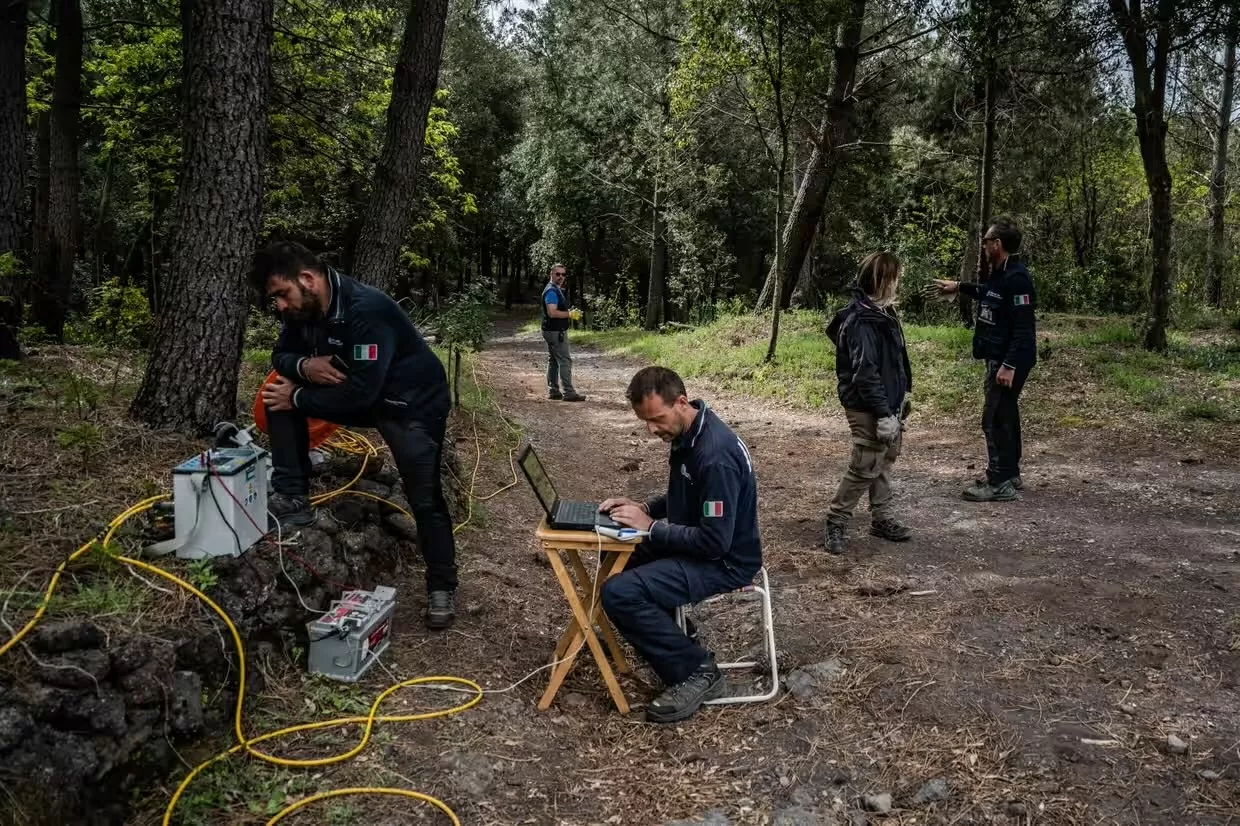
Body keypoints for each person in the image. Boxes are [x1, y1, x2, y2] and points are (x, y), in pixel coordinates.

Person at [250, 241, 458, 630]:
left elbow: (363, 392)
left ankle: (442, 585)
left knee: (424, 496)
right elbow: (280, 356)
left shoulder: (366, 310)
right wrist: (303, 365)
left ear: (308, 279)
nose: (279, 305)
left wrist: (299, 395)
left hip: (410, 405)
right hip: (360, 393)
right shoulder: (303, 308)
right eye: (274, 298)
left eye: (281, 294)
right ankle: (292, 494)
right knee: (277, 393)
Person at [600, 366, 761, 723]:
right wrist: (643, 509)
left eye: (656, 418)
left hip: (726, 561)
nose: (652, 429)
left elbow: (714, 541)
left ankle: (696, 671)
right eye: (645, 421)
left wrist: (652, 528)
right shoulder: (691, 432)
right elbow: (686, 497)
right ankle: (673, 636)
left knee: (619, 593)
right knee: (615, 553)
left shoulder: (714, 455)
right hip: (704, 546)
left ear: (682, 402)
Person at [925, 216, 1037, 502]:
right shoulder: (1001, 273)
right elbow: (989, 293)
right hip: (999, 357)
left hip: (1008, 360)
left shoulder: (1018, 277)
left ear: (997, 244)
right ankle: (1009, 473)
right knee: (1006, 413)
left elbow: (1024, 328)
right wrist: (959, 286)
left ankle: (998, 482)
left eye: (986, 240)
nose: (984, 244)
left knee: (994, 418)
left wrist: (1009, 365)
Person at [823, 252, 913, 556]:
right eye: (896, 277)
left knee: (885, 458)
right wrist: (883, 412)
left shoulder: (884, 313)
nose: (899, 282)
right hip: (868, 405)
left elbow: (899, 358)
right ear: (884, 280)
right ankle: (836, 520)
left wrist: (905, 393)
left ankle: (881, 518)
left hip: (889, 402)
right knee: (866, 463)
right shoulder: (861, 320)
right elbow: (864, 373)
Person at [541, 263, 585, 402]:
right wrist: (570, 314)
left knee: (553, 360)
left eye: (563, 274)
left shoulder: (556, 289)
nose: (561, 277)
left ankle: (553, 391)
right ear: (551, 274)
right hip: (555, 331)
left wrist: (569, 313)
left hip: (552, 330)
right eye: (557, 274)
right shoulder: (551, 291)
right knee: (565, 360)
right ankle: (569, 392)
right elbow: (552, 312)